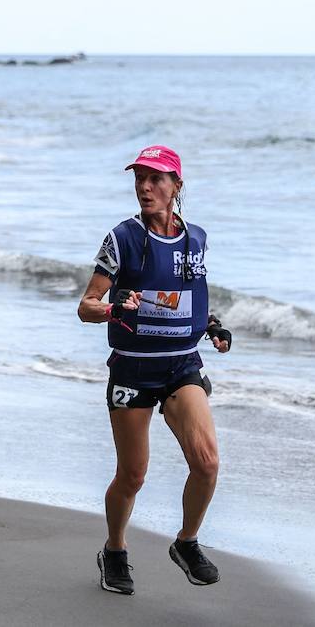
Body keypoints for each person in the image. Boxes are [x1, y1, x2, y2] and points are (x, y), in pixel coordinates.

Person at [77, 144, 233, 596]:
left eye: (156, 179)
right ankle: (115, 550)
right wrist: (110, 309)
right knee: (133, 475)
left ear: (176, 187)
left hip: (182, 365)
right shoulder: (122, 238)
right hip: (133, 369)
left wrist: (214, 327)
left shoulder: (196, 239)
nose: (145, 187)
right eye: (140, 178)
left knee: (207, 463)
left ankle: (186, 543)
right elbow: (86, 306)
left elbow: (185, 300)